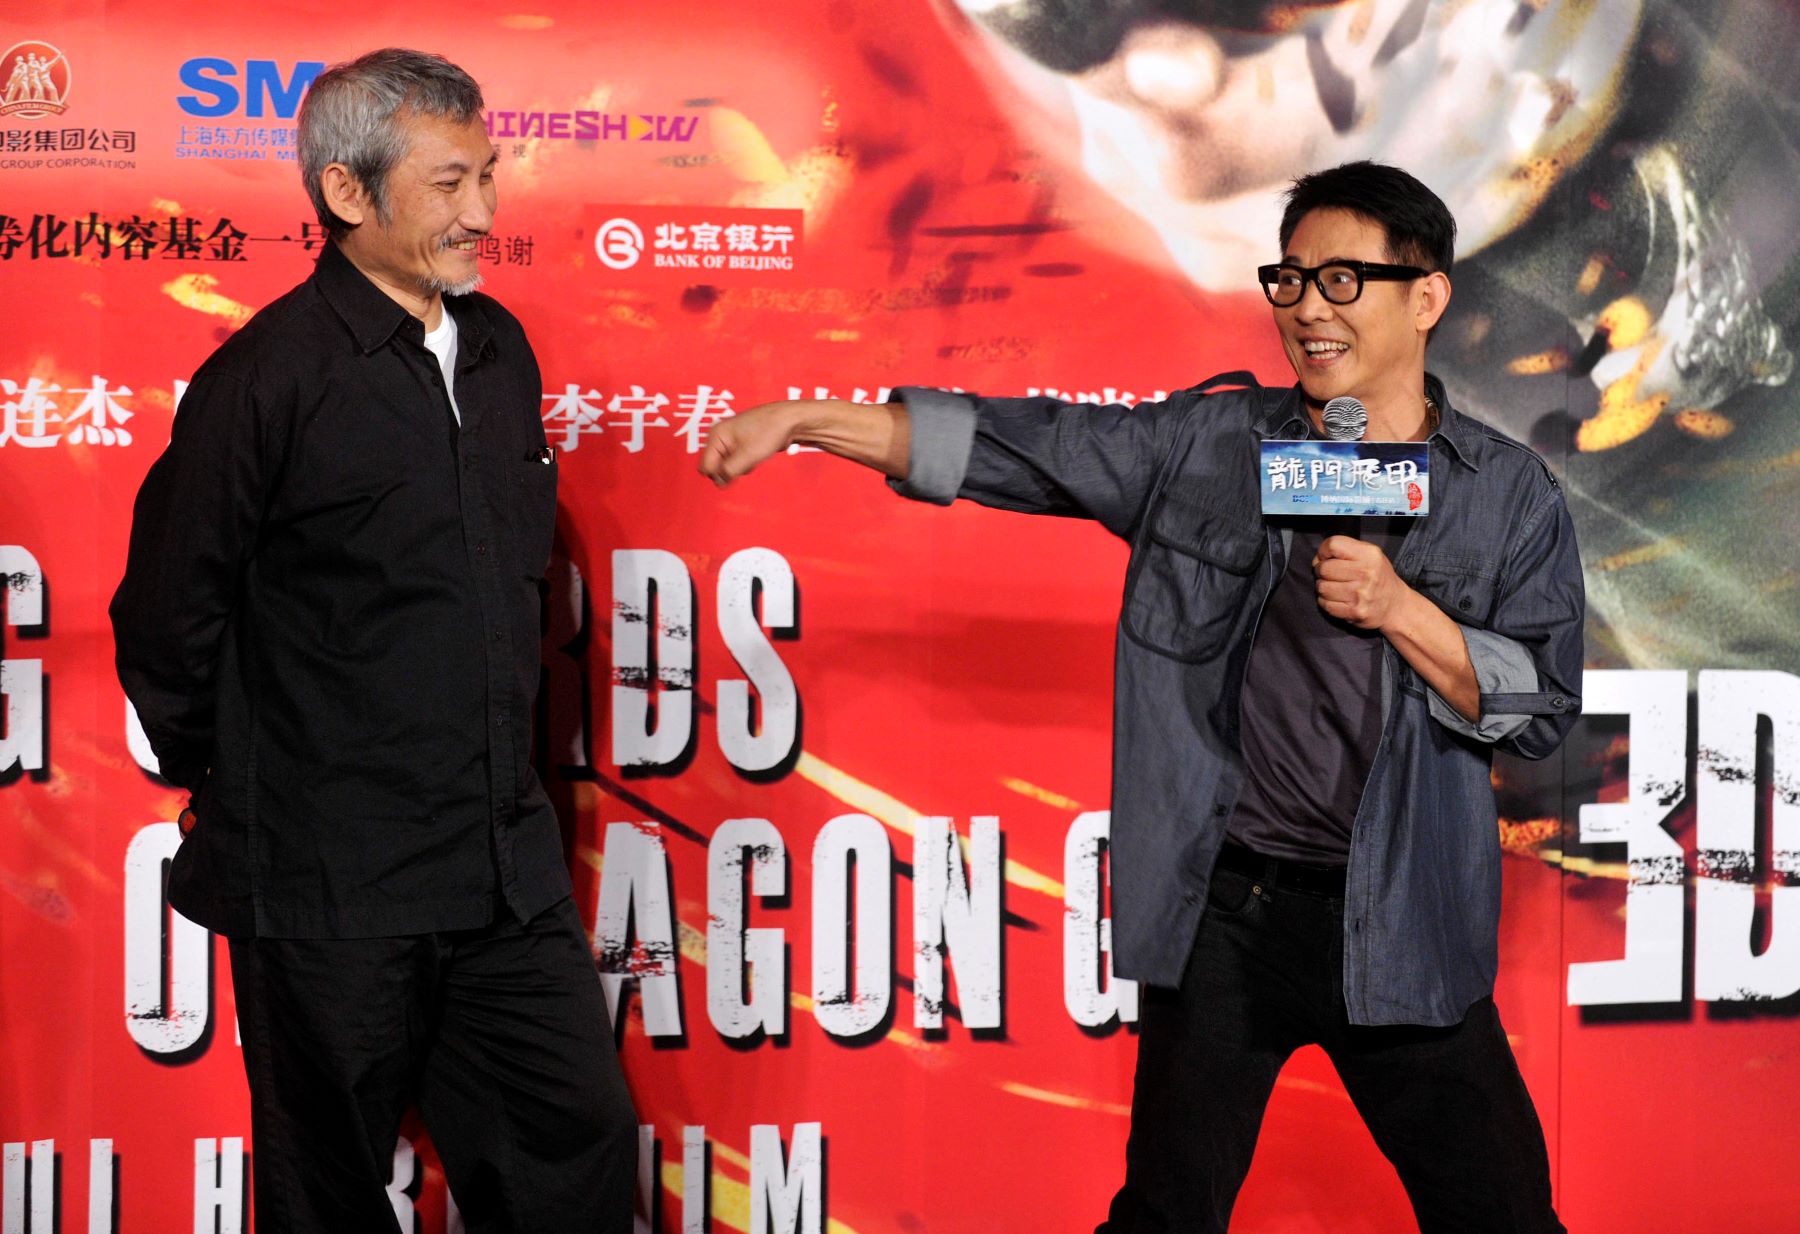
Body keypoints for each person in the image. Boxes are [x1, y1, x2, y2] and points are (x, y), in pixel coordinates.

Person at [701, 161, 1584, 1233]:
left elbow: (1539, 706)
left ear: (1427, 296)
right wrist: (804, 419)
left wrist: (1402, 609)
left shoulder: (1505, 491)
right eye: (1291, 280)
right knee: (1165, 1212)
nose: (1308, 309)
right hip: (1231, 910)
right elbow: (1022, 448)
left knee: (1501, 1214)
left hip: (1401, 914)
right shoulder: (1209, 445)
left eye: (1343, 281)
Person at [110, 48, 636, 1234]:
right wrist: (249, 783)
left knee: (575, 1145)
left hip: (503, 869)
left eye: (488, 176)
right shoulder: (263, 379)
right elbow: (163, 620)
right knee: (328, 1193)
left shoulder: (500, 355)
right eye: (449, 184)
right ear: (349, 194)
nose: (484, 213)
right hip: (329, 878)